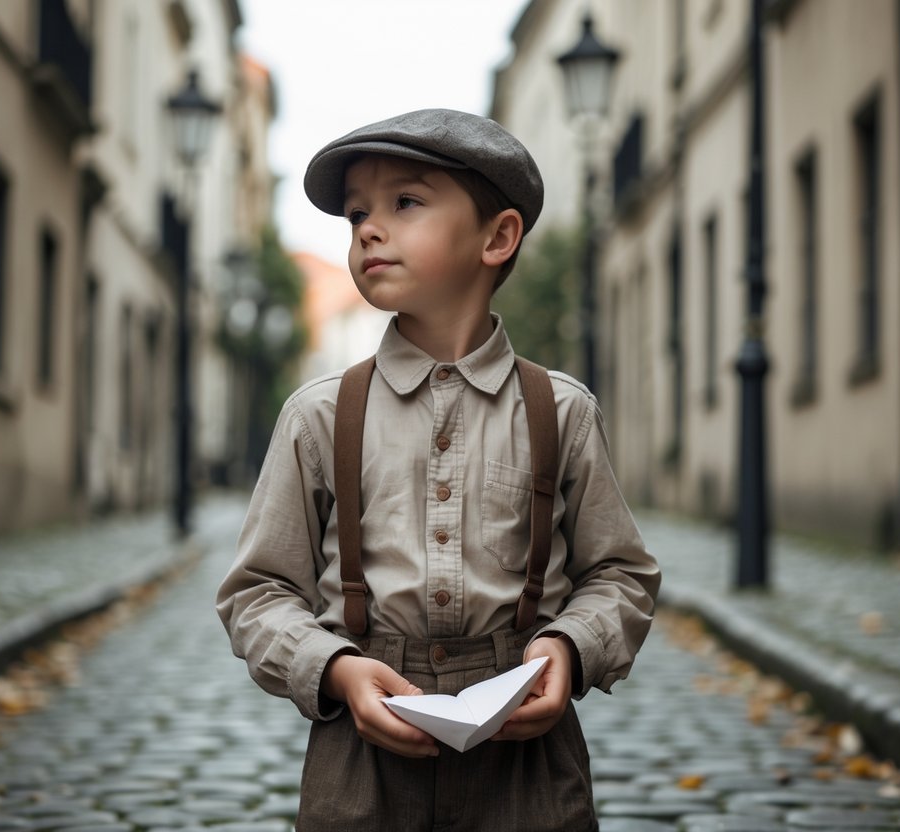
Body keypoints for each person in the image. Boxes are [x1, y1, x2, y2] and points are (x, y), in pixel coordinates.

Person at [216, 109, 661, 831]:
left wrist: (568, 649)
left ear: (497, 237)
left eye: (405, 202)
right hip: (361, 761)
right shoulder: (319, 417)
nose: (366, 228)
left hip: (524, 763)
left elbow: (621, 575)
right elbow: (257, 592)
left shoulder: (561, 412)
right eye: (357, 212)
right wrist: (334, 669)